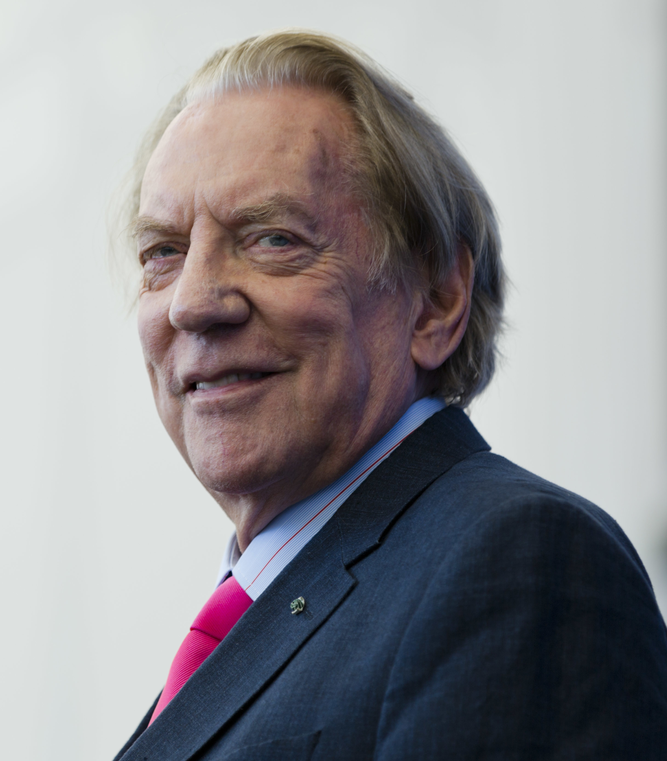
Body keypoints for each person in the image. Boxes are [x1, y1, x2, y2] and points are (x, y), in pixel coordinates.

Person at [112, 30, 667, 761]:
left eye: (272, 238)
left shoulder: (518, 562)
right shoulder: (273, 600)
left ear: (437, 300)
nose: (192, 302)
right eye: (163, 253)